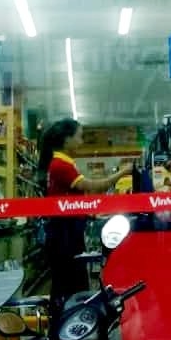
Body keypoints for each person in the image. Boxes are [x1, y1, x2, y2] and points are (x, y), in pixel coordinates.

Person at [39, 118, 124, 321]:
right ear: (66, 139)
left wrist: (88, 213)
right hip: (64, 235)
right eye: (79, 136)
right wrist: (122, 173)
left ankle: (70, 324)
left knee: (68, 283)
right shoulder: (61, 165)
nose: (81, 141)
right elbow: (92, 187)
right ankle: (69, 326)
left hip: (65, 232)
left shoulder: (62, 163)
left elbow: (69, 199)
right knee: (70, 283)